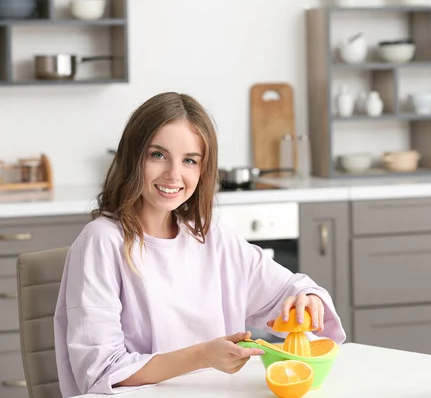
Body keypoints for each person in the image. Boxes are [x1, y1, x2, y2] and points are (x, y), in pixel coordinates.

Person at [53, 92, 346, 397]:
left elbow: (287, 290)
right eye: (158, 155)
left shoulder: (209, 237)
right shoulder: (101, 242)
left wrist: (305, 298)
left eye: (189, 160)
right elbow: (101, 371)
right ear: (132, 157)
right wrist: (204, 356)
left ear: (203, 170)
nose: (173, 174)